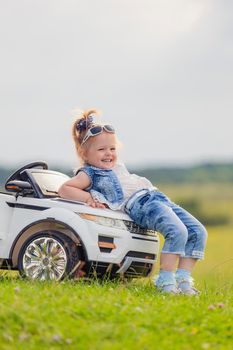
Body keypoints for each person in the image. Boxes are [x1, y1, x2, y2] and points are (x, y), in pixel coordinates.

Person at [58, 109, 208, 295]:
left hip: (156, 197)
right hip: (141, 205)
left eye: (112, 149)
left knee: (197, 231)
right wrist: (88, 198)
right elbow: (65, 189)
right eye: (101, 149)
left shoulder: (116, 167)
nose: (108, 154)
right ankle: (165, 281)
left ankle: (183, 280)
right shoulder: (88, 173)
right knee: (177, 231)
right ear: (85, 154)